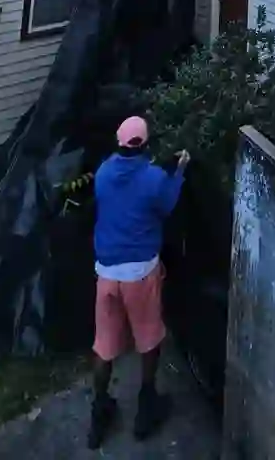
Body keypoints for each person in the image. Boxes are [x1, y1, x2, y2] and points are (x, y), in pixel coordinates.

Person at [89, 116, 191, 448]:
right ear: (146, 144)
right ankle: (146, 407)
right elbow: (167, 203)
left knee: (105, 346)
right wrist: (180, 170)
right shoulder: (153, 178)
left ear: (118, 143)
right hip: (140, 274)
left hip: (107, 274)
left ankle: (99, 411)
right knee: (148, 338)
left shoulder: (103, 174)